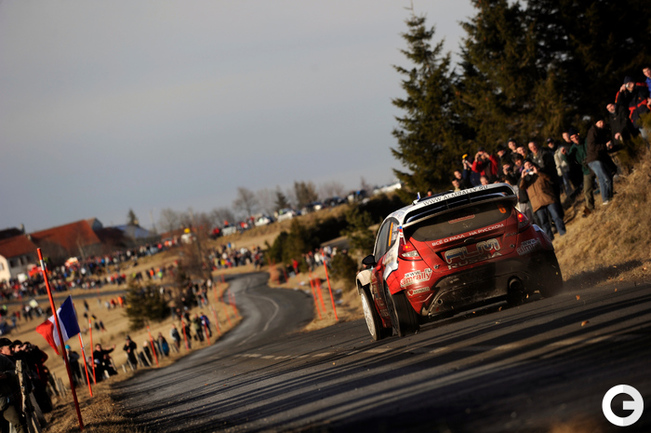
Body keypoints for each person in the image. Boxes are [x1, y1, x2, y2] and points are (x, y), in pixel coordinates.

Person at [519, 161, 566, 240]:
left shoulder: (540, 171)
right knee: (544, 222)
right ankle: (549, 239)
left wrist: (537, 172)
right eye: (526, 165)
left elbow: (549, 178)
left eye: (529, 164)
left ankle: (562, 232)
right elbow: (521, 187)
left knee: (556, 216)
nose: (528, 166)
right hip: (537, 203)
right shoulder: (526, 179)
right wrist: (523, 177)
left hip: (548, 198)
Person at [585, 118, 615, 205]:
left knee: (609, 176)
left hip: (601, 157)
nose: (602, 124)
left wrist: (609, 145)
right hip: (593, 159)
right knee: (603, 178)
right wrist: (604, 146)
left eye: (603, 122)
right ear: (596, 123)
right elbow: (592, 147)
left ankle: (610, 197)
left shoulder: (603, 131)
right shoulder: (592, 132)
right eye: (599, 122)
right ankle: (605, 199)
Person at [567, 128, 596, 216]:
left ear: (578, 135)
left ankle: (608, 198)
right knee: (587, 190)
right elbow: (570, 161)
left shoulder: (586, 141)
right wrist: (564, 156)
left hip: (594, 164)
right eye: (572, 138)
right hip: (586, 170)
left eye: (575, 136)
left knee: (602, 181)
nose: (575, 138)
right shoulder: (573, 148)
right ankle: (590, 208)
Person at [0, 339, 26, 433]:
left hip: (5, 401)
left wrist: (6, 375)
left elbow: (15, 372)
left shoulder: (1, 359)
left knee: (20, 424)